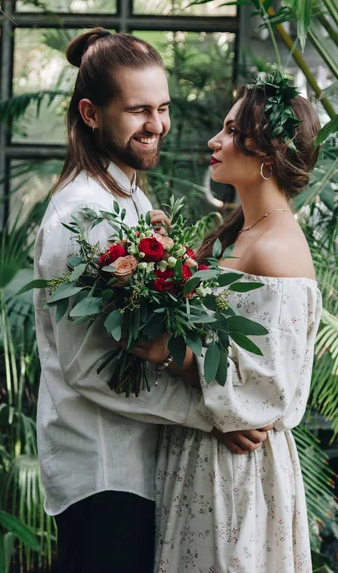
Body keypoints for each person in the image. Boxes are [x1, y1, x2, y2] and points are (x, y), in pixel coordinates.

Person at [34, 28, 268, 573]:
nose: (157, 125)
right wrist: (216, 413)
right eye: (139, 110)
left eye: (162, 108)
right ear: (91, 114)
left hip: (140, 466)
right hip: (103, 477)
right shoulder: (81, 215)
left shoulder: (129, 195)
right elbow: (90, 365)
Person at [114, 76, 321, 572]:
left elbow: (268, 389)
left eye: (230, 131)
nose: (215, 140)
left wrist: (168, 353)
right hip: (202, 456)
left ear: (266, 154)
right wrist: (163, 260)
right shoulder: (242, 229)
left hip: (237, 471)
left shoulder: (277, 249)